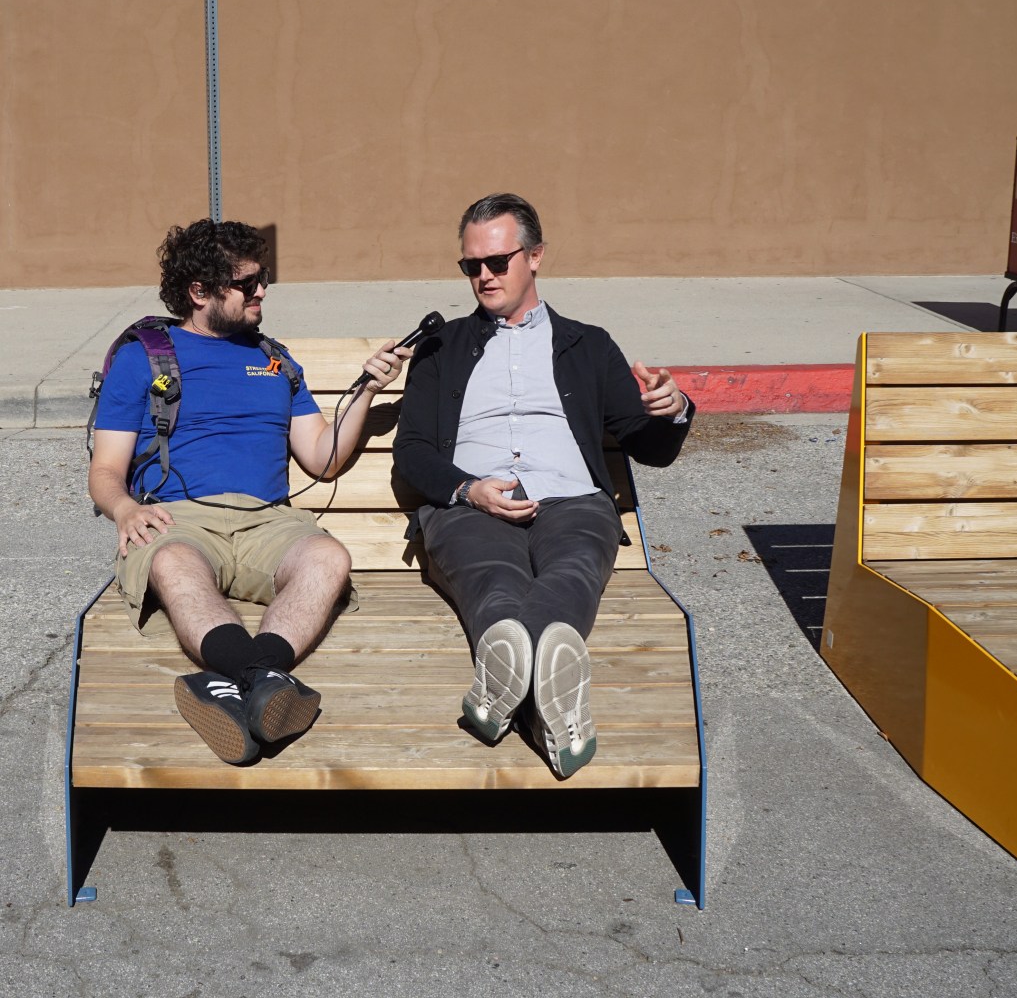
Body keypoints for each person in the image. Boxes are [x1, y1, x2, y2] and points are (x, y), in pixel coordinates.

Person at [88, 219, 412, 765]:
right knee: (172, 565)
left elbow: (323, 460)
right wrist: (122, 508)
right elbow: (105, 470)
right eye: (248, 282)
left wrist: (367, 391)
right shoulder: (144, 357)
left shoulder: (276, 360)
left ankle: (230, 683)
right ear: (199, 292)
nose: (262, 290)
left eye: (264, 279)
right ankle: (262, 681)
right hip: (181, 518)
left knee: (328, 556)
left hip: (268, 521)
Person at [393, 193, 693, 778]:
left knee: (571, 571)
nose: (483, 276)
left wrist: (673, 408)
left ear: (536, 257)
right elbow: (413, 453)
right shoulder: (441, 346)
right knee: (494, 581)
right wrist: (468, 489)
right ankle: (549, 706)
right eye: (470, 265)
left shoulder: (589, 344)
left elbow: (648, 446)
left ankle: (501, 692)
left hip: (573, 500)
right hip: (471, 504)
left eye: (497, 261)